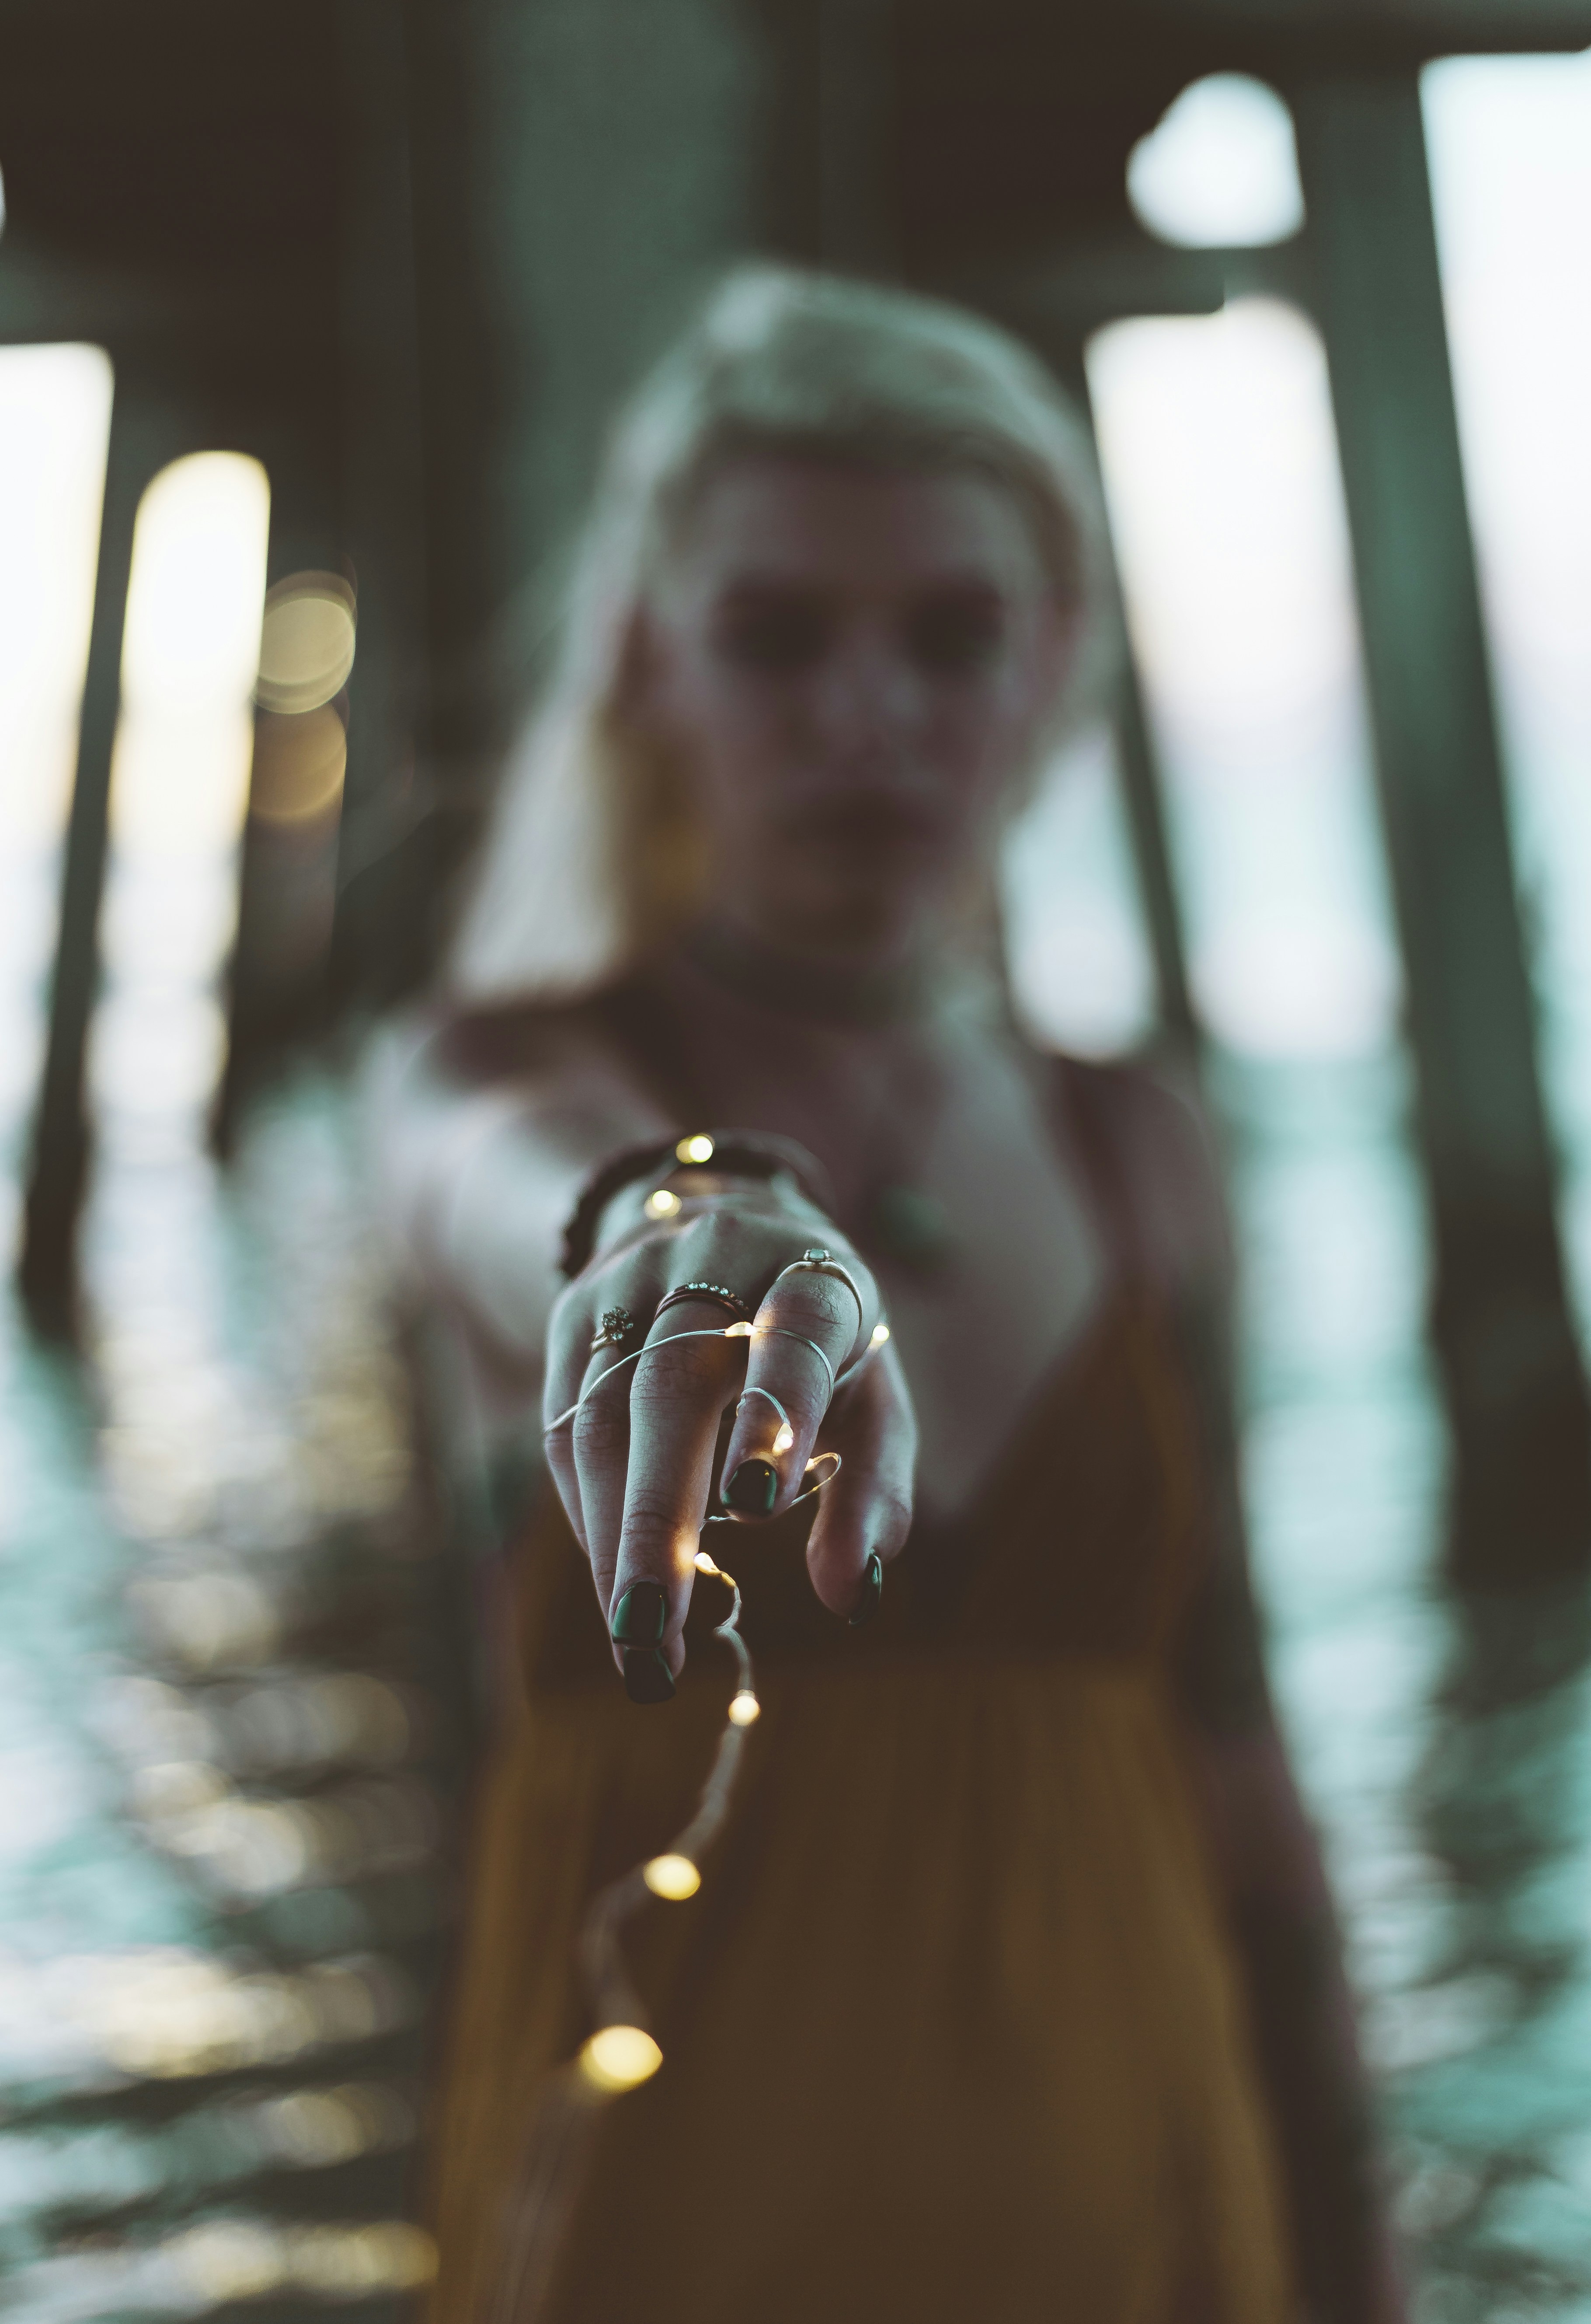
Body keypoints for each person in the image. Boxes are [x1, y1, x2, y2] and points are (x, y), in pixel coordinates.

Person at [379, 268, 1405, 2322]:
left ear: (1055, 668)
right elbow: (494, 1185)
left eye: (950, 636)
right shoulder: (501, 1076)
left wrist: (1355, 2262)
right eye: (777, 637)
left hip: (1145, 2206)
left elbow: (1237, 1755)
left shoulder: (1137, 1145)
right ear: (648, 664)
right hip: (674, 2237)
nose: (867, 712)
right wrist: (672, 1218)